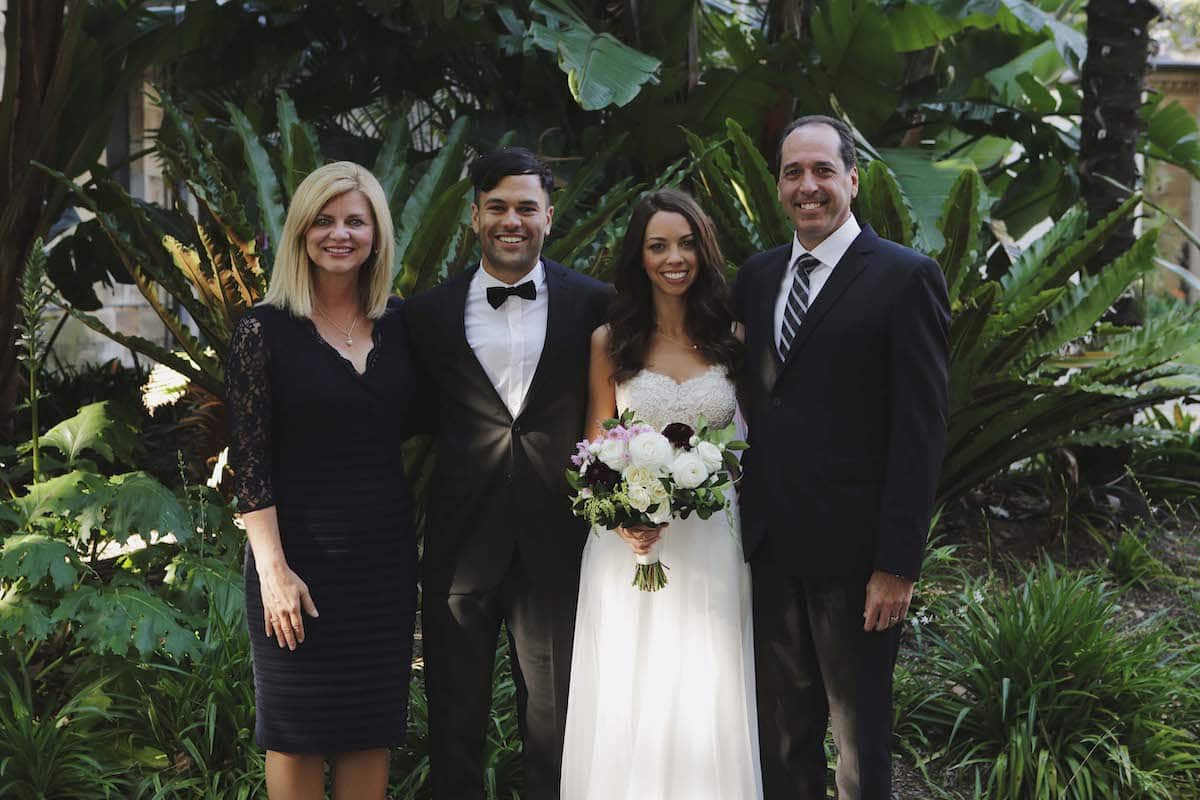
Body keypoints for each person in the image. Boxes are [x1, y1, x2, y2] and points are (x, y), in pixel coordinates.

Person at [732, 115, 950, 799]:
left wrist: (896, 564)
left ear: (853, 179)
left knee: (859, 743)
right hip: (770, 550)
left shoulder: (905, 278)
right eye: (793, 172)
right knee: (785, 735)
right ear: (779, 186)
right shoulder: (758, 276)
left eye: (823, 170)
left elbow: (920, 431)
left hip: (858, 565)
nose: (808, 186)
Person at [404, 147, 611, 800]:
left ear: (549, 217)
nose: (511, 220)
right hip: (460, 546)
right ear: (474, 217)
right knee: (453, 726)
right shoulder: (425, 314)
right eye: (497, 207)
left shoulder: (595, 304)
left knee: (556, 726)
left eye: (526, 207)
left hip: (558, 545)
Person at [560, 189, 762, 800]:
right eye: (658, 246)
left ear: (704, 249)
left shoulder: (735, 338)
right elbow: (597, 443)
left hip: (713, 539)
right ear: (639, 258)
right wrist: (624, 514)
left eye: (686, 243)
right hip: (630, 545)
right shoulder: (609, 342)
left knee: (706, 684)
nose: (674, 258)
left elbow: (752, 444)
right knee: (630, 683)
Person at [226, 161, 419, 799]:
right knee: (296, 730)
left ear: (377, 235)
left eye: (355, 221)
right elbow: (249, 465)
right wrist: (274, 571)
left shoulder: (401, 326)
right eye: (325, 220)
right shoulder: (264, 331)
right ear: (302, 232)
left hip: (382, 568)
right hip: (296, 567)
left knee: (370, 730)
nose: (340, 234)